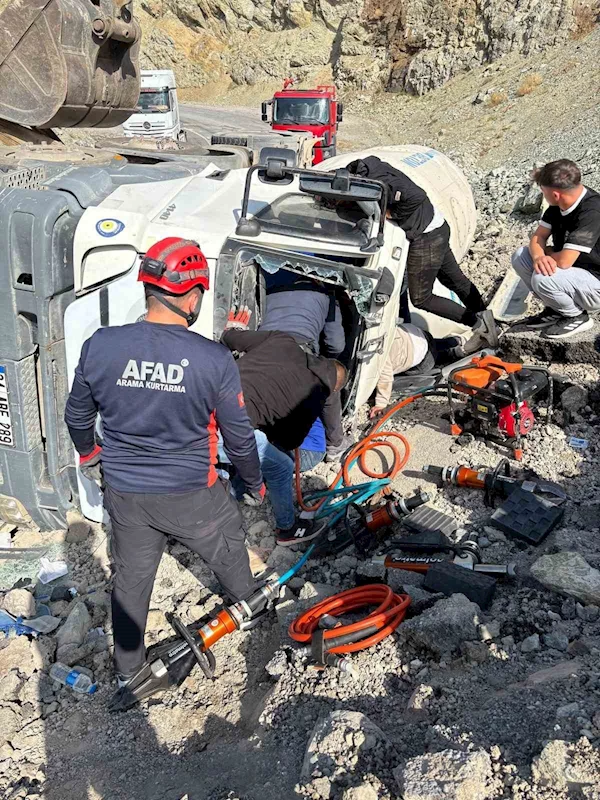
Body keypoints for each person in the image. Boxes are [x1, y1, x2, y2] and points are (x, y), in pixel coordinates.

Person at [64, 237, 265, 694]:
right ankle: (250, 603)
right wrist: (255, 483)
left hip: (127, 495)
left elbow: (77, 415)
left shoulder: (102, 345)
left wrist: (93, 456)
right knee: (227, 544)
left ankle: (129, 671)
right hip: (192, 493)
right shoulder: (212, 359)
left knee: (132, 580)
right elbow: (237, 436)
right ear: (192, 295)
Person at [345, 156, 498, 354]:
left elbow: (417, 195)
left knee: (421, 298)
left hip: (426, 236)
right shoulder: (364, 169)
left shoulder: (380, 183)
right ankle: (487, 320)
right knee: (455, 280)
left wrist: (391, 214)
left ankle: (478, 325)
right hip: (438, 226)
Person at [221, 326, 347, 545]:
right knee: (281, 466)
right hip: (224, 426)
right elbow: (289, 441)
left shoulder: (281, 340)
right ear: (333, 388)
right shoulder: (315, 395)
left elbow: (229, 337)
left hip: (199, 401)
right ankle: (287, 529)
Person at [258, 269, 351, 461]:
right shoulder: (326, 296)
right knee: (328, 386)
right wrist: (326, 360)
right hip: (299, 350)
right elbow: (336, 343)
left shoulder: (269, 293)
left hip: (260, 350)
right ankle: (335, 444)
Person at [512, 159, 600, 339]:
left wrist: (548, 253)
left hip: (595, 280)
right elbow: (538, 237)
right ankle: (555, 309)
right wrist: (538, 257)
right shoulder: (557, 206)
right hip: (574, 274)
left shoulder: (591, 211)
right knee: (520, 256)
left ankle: (576, 316)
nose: (543, 195)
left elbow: (564, 262)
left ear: (555, 194)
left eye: (543, 191)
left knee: (543, 277)